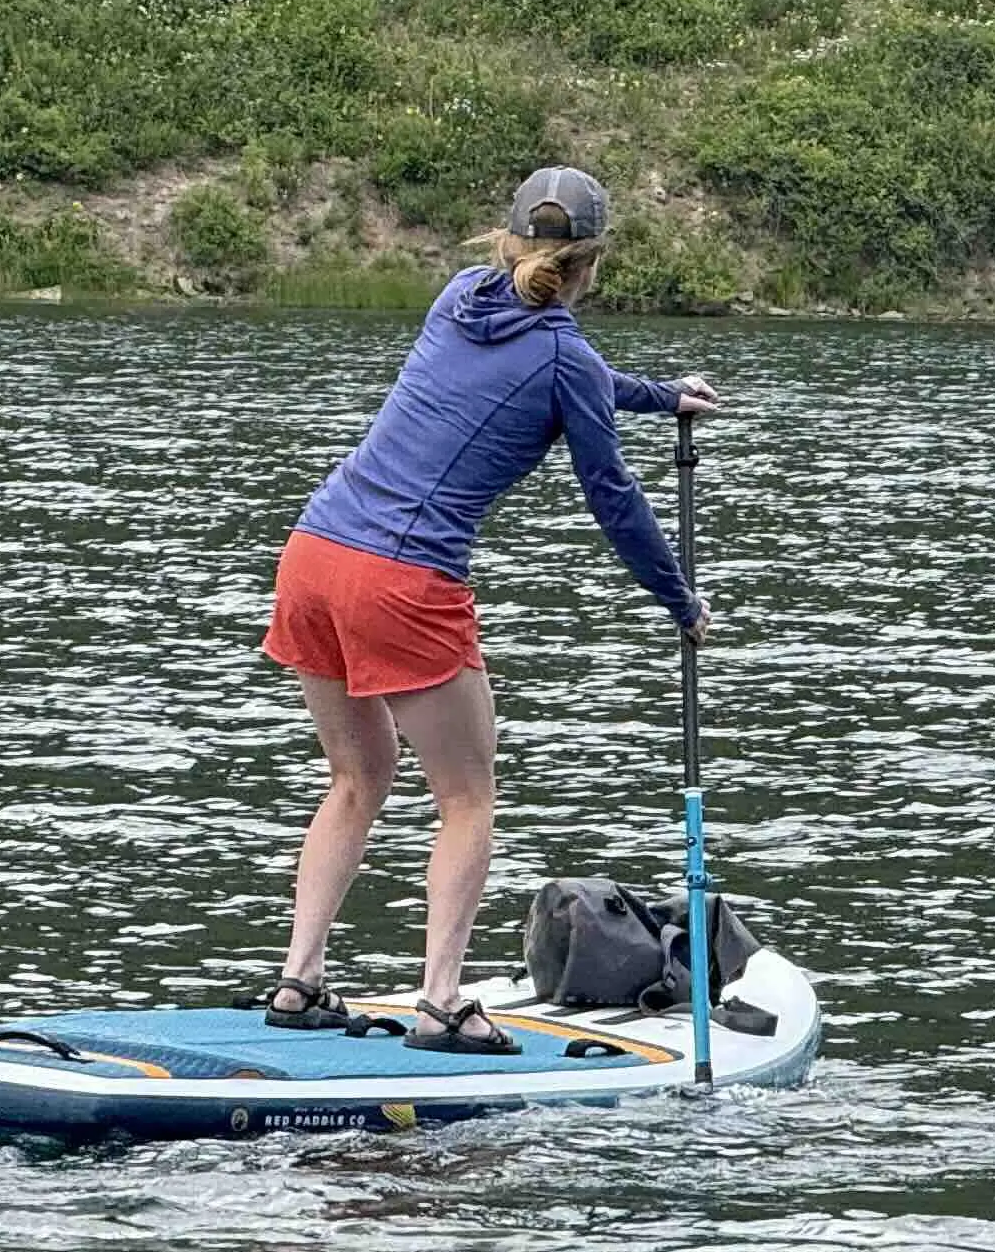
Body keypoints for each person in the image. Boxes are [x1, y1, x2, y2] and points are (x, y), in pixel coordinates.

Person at [256, 164, 716, 1052]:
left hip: (312, 554)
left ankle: (298, 983)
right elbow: (610, 493)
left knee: (356, 777)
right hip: (402, 580)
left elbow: (571, 372)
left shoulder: (459, 296)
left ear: (507, 243)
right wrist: (678, 599)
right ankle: (440, 1005)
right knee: (467, 796)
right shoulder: (562, 355)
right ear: (592, 265)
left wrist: (661, 396)